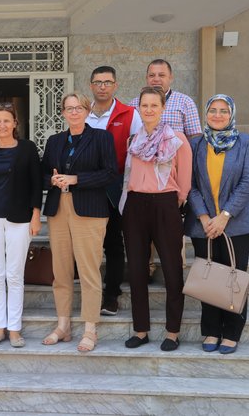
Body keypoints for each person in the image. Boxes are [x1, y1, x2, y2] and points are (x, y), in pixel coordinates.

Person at [41, 93, 117, 352]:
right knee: (60, 270)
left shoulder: (101, 138)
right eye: (69, 108)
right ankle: (63, 325)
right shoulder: (54, 141)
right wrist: (51, 180)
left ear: (88, 110)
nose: (74, 112)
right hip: (58, 208)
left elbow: (110, 173)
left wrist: (76, 179)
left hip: (89, 210)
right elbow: (42, 173)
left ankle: (90, 328)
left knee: (88, 270)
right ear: (62, 112)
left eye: (79, 108)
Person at [185, 94, 249, 355]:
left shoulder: (246, 143)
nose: (217, 115)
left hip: (237, 225)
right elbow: (190, 184)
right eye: (213, 110)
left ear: (232, 114)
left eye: (223, 111)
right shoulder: (196, 144)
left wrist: (224, 216)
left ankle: (231, 333)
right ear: (206, 114)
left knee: (233, 278)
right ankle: (212, 330)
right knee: (208, 278)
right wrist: (205, 217)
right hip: (203, 226)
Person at [121, 87, 191, 352]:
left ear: (163, 108)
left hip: (165, 204)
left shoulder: (177, 139)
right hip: (135, 204)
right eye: (144, 105)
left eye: (154, 105)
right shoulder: (133, 140)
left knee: (172, 269)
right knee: (137, 270)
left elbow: (184, 180)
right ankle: (141, 330)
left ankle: (172, 332)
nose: (149, 109)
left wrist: (174, 202)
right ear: (139, 108)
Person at [0, 103, 42, 348]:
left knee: (14, 275)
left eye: (7, 120)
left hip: (20, 218)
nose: (2, 125)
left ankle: (14, 329)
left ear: (15, 123)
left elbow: (37, 183)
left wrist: (36, 214)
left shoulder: (27, 149)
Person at [86, 66, 143, 316]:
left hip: (115, 187)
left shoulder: (130, 114)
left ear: (115, 85)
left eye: (107, 82)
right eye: (98, 82)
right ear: (91, 85)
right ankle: (90, 293)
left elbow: (139, 151)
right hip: (86, 187)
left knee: (113, 243)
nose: (102, 86)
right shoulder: (82, 113)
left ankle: (111, 295)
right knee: (87, 244)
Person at [128, 59, 201, 138]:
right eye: (152, 75)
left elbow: (195, 138)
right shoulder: (134, 104)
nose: (156, 79)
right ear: (146, 78)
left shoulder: (185, 102)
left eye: (161, 75)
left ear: (170, 78)